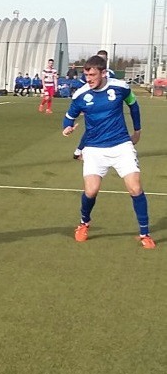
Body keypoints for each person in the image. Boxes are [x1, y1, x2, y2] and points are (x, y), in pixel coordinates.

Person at [62, 54, 154, 249]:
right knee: (91, 190)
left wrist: (137, 130)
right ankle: (84, 223)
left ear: (103, 73)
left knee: (135, 188)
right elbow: (69, 117)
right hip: (94, 148)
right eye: (86, 75)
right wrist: (67, 128)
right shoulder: (81, 95)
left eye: (92, 75)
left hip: (121, 145)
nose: (88, 79)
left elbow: (133, 105)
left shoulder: (120, 87)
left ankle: (145, 234)